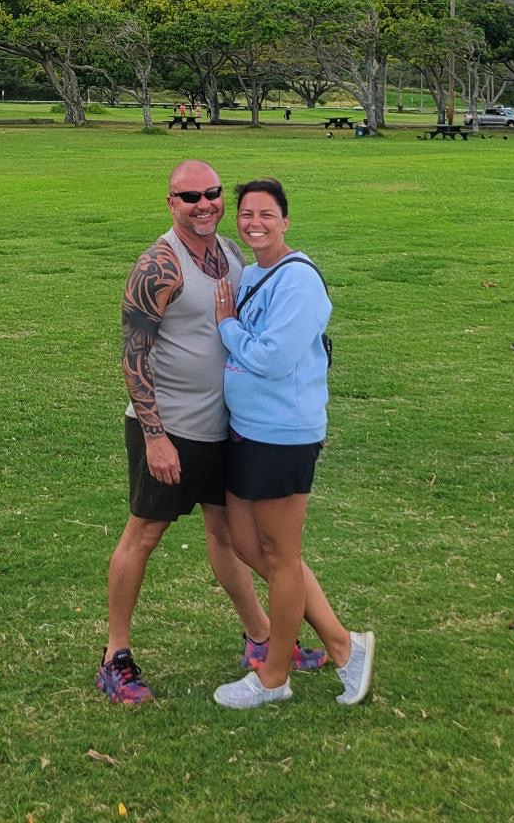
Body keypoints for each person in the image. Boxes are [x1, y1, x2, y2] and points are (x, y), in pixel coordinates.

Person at [98, 160, 336, 704]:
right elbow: (133, 357)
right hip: (171, 428)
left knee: (231, 536)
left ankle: (262, 638)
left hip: (226, 426)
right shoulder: (159, 265)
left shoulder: (229, 253)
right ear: (170, 203)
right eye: (189, 197)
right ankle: (115, 656)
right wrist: (155, 436)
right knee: (144, 535)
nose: (203, 204)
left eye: (212, 193)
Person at [209, 177, 375, 708]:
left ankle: (274, 676)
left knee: (281, 556)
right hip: (245, 428)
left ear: (285, 221)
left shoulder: (299, 280)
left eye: (266, 214)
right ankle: (345, 645)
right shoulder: (253, 273)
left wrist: (227, 326)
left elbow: (273, 358)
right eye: (245, 214)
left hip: (283, 434)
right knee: (247, 542)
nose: (254, 223)